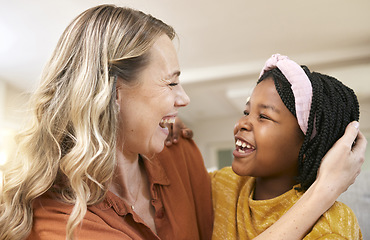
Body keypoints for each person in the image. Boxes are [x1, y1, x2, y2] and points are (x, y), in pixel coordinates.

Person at [0, 5, 366, 240]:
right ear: (112, 92)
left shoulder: (182, 155)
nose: (184, 98)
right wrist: (323, 190)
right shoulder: (55, 219)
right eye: (171, 82)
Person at [211, 54, 363, 239]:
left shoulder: (333, 226)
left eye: (264, 116)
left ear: (309, 146)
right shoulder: (224, 183)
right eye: (246, 111)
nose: (242, 123)